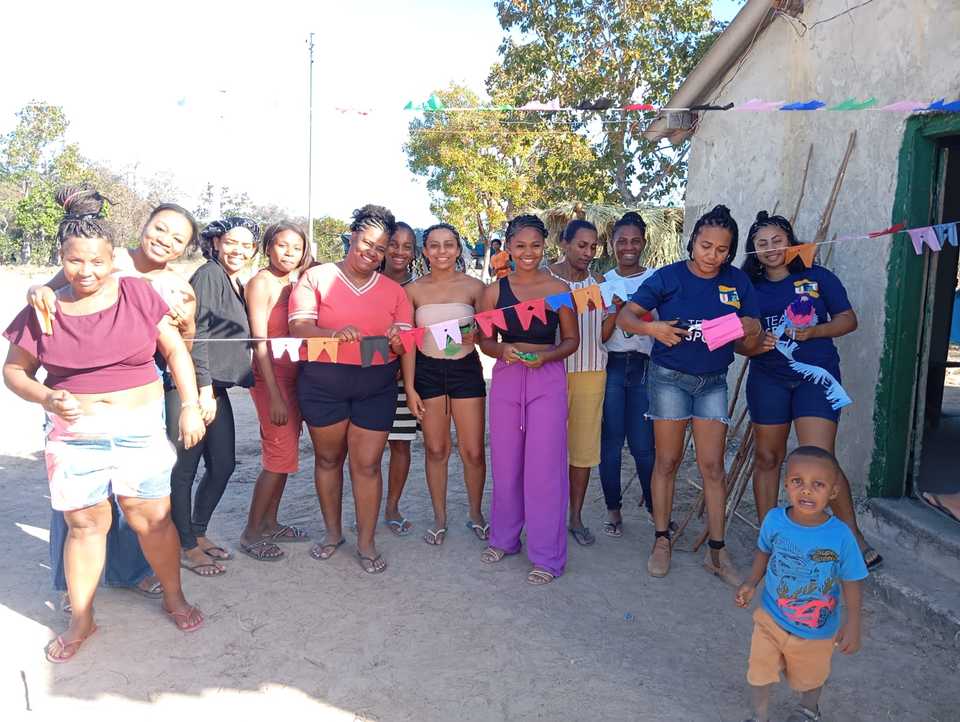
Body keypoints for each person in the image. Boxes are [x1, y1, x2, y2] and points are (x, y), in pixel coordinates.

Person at [3, 187, 206, 662]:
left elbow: (176, 349)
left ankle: (174, 597)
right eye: (75, 261)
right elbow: (14, 371)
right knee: (85, 525)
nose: (87, 271)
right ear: (61, 259)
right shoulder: (43, 310)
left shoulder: (138, 293)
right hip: (76, 437)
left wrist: (191, 403)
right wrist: (47, 396)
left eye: (97, 261)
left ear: (113, 258)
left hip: (140, 428)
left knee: (150, 519)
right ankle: (82, 617)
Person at [618, 204, 763, 585]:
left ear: (731, 251)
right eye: (705, 246)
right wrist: (654, 330)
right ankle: (661, 540)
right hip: (668, 380)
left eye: (721, 249)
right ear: (692, 242)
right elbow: (626, 317)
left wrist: (750, 328)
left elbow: (752, 334)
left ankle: (718, 551)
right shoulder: (669, 277)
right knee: (667, 461)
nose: (712, 255)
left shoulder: (738, 282)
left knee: (713, 467)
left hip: (713, 381)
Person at [738, 211, 881, 570]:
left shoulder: (818, 277)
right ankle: (770, 538)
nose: (771, 248)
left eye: (777, 240)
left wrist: (814, 331)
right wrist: (755, 345)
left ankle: (852, 536)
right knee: (767, 458)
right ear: (753, 250)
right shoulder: (747, 287)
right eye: (762, 243)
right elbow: (737, 342)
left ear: (791, 241)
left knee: (820, 458)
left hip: (815, 377)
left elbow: (848, 319)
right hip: (768, 379)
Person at [289, 204, 413, 574]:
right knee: (328, 460)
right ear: (352, 236)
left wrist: (397, 339)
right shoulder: (316, 278)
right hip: (322, 384)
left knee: (368, 465)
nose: (372, 253)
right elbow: (298, 328)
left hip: (376, 386)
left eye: (381, 249)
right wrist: (332, 334)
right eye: (367, 243)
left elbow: (404, 341)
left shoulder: (395, 292)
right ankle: (332, 534)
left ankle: (366, 542)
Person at [478, 214, 579, 585]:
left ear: (544, 246)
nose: (528, 252)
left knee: (545, 467)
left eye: (535, 245)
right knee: (506, 463)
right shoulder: (493, 292)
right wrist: (501, 351)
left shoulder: (559, 289)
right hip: (507, 377)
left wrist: (546, 357)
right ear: (508, 247)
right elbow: (484, 340)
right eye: (520, 245)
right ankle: (504, 539)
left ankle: (547, 555)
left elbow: (571, 340)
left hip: (547, 378)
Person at [735, 446, 866, 722]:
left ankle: (808, 710)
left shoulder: (841, 535)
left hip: (815, 629)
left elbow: (852, 578)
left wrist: (853, 621)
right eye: (797, 481)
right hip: (771, 616)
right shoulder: (774, 520)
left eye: (818, 484)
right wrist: (751, 582)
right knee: (759, 668)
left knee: (811, 677)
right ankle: (759, 716)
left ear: (833, 492)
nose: (806, 490)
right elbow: (764, 551)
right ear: (786, 485)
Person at [173, 216, 259, 576]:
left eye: (246, 245)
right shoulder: (208, 275)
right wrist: (203, 391)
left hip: (215, 388)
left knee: (223, 465)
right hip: (193, 387)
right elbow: (198, 334)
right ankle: (185, 546)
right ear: (217, 243)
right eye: (231, 242)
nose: (238, 250)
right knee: (185, 470)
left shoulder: (233, 281)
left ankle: (197, 531)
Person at [403, 223, 488, 545]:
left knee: (473, 451)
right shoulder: (412, 291)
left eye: (449, 244)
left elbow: (489, 335)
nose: (442, 251)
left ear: (458, 248)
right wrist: (410, 387)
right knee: (436, 449)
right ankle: (439, 517)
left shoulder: (475, 287)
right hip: (427, 371)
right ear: (425, 251)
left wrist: (477, 335)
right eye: (435, 245)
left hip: (465, 369)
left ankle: (476, 514)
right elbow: (408, 343)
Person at [240, 221, 313, 561]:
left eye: (296, 248)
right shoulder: (262, 283)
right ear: (269, 247)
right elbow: (259, 341)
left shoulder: (296, 282)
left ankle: (271, 523)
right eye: (282, 245)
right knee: (276, 456)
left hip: (294, 377)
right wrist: (275, 395)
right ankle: (252, 533)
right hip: (272, 378)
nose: (289, 253)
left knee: (285, 456)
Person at [548, 220, 618, 546]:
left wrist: (614, 314)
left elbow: (601, 335)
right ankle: (546, 516)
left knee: (583, 450)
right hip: (550, 374)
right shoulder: (545, 280)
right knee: (547, 449)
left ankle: (575, 517)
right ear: (564, 243)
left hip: (591, 372)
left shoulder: (600, 284)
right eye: (581, 245)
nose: (588, 252)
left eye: (593, 247)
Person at [599, 212, 657, 536]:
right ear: (612, 244)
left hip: (646, 368)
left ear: (644, 243)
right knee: (610, 444)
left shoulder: (657, 279)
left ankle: (654, 508)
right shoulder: (603, 282)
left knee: (643, 446)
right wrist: (616, 310)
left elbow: (664, 327)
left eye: (635, 240)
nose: (628, 247)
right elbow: (601, 335)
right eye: (622, 241)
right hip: (613, 365)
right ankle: (613, 510)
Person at [380, 221, 419, 537]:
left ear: (414, 252)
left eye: (407, 246)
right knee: (364, 450)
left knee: (400, 445)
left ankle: (392, 507)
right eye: (393, 244)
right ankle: (365, 507)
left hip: (405, 379)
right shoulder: (367, 280)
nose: (399, 251)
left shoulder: (417, 288)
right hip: (366, 376)